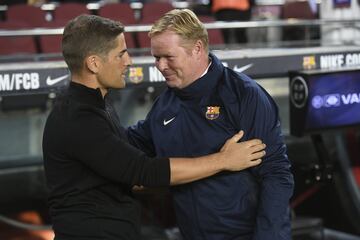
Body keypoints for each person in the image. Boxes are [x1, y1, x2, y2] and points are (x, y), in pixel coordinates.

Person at [42, 14, 266, 240]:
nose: (128, 61)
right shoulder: (78, 119)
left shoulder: (94, 104)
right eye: (120, 54)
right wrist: (223, 161)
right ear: (94, 63)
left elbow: (124, 155)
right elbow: (144, 171)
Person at [127, 9, 294, 240]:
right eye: (156, 57)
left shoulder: (243, 95)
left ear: (197, 49)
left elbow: (276, 175)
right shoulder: (164, 105)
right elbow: (129, 143)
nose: (160, 66)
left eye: (168, 57)